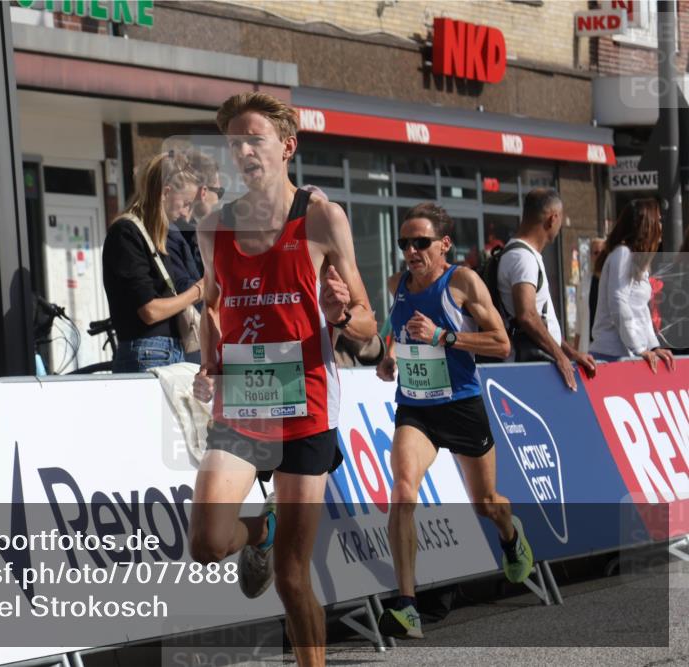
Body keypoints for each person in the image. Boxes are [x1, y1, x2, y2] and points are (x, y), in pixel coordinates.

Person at [190, 92, 376, 667]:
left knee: (294, 579)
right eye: (235, 143)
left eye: (255, 140)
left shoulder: (320, 218)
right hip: (242, 405)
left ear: (287, 146)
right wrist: (209, 359)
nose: (243, 151)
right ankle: (261, 532)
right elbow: (211, 305)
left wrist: (340, 315)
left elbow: (368, 325)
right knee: (207, 543)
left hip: (305, 407)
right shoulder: (214, 227)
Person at [376, 202, 533, 640]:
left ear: (444, 244)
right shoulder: (397, 285)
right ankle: (407, 605)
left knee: (486, 503)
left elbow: (501, 344)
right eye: (405, 243)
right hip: (416, 406)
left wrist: (444, 336)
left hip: (461, 404)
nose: (411, 251)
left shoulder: (462, 281)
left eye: (420, 242)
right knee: (403, 490)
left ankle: (509, 533)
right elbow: (399, 330)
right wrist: (390, 357)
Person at [102, 152, 205, 372]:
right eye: (186, 203)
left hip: (167, 350)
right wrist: (198, 291)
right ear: (166, 193)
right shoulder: (126, 233)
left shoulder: (155, 234)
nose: (185, 213)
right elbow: (150, 311)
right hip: (148, 351)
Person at [496, 188, 595, 390]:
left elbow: (541, 322)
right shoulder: (523, 258)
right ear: (553, 219)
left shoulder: (524, 255)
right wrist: (560, 357)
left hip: (535, 364)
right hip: (530, 369)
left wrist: (570, 352)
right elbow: (527, 316)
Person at [589, 199, 677, 373]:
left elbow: (641, 311)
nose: (661, 226)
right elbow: (618, 302)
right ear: (647, 225)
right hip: (611, 355)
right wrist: (639, 348)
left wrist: (653, 347)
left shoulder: (637, 260)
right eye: (658, 220)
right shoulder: (622, 254)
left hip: (629, 355)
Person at [166, 149, 221, 292]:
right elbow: (183, 288)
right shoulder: (173, 234)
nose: (218, 200)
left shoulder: (192, 233)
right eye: (219, 192)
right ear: (203, 192)